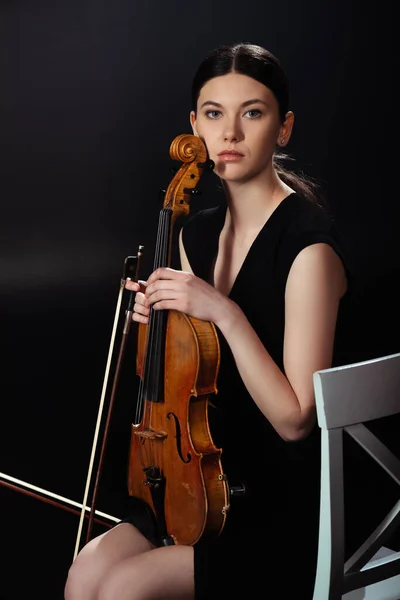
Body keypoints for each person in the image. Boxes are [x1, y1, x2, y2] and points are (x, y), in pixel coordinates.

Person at [64, 42, 349, 600]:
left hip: (278, 506)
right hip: (202, 481)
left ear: (284, 128)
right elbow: (194, 376)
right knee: (85, 575)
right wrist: (156, 325)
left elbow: (295, 421)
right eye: (214, 114)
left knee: (125, 589)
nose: (231, 134)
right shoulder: (193, 234)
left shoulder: (309, 250)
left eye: (254, 112)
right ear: (194, 125)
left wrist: (221, 310)